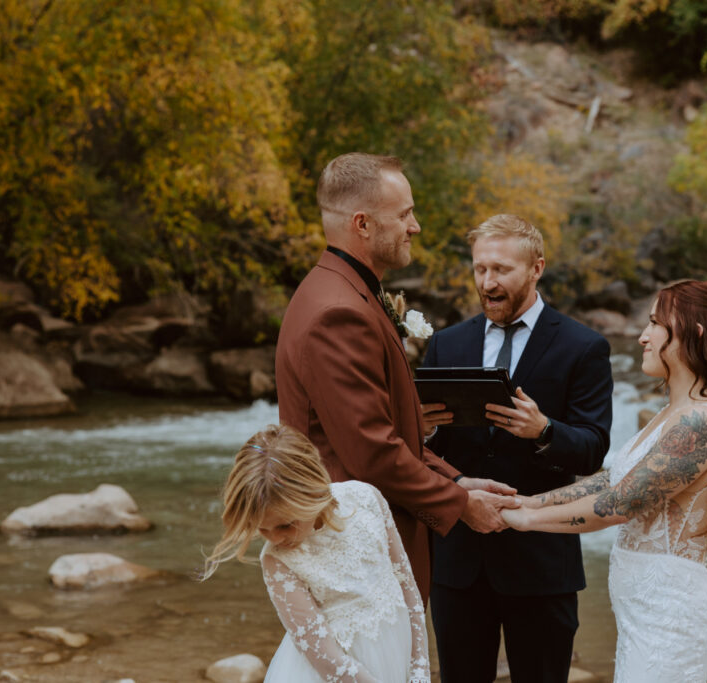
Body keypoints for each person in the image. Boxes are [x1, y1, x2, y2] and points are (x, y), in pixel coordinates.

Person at [275, 152, 517, 603]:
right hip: (353, 547)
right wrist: (460, 504)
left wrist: (455, 480)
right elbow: (371, 451)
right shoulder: (338, 313)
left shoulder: (345, 290)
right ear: (362, 224)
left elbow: (388, 432)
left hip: (363, 537)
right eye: (404, 214)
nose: (415, 226)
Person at [501, 279, 707, 682]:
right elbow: (611, 483)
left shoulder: (701, 420)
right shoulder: (672, 413)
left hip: (670, 623)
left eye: (655, 323)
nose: (642, 336)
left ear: (695, 332)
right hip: (645, 617)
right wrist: (527, 501)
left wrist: (526, 522)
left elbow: (621, 504)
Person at [421, 214, 614, 683]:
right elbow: (424, 453)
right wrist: (423, 431)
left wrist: (545, 430)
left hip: (541, 564)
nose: (488, 281)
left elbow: (593, 450)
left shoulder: (583, 347)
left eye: (501, 269)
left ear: (536, 268)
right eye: (480, 269)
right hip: (458, 562)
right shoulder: (446, 344)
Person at [202, 423, 430, 683]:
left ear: (313, 492)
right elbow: (329, 661)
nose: (275, 538)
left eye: (285, 525)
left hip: (394, 657)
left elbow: (408, 589)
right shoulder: (277, 561)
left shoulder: (366, 499)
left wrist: (420, 668)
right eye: (262, 530)